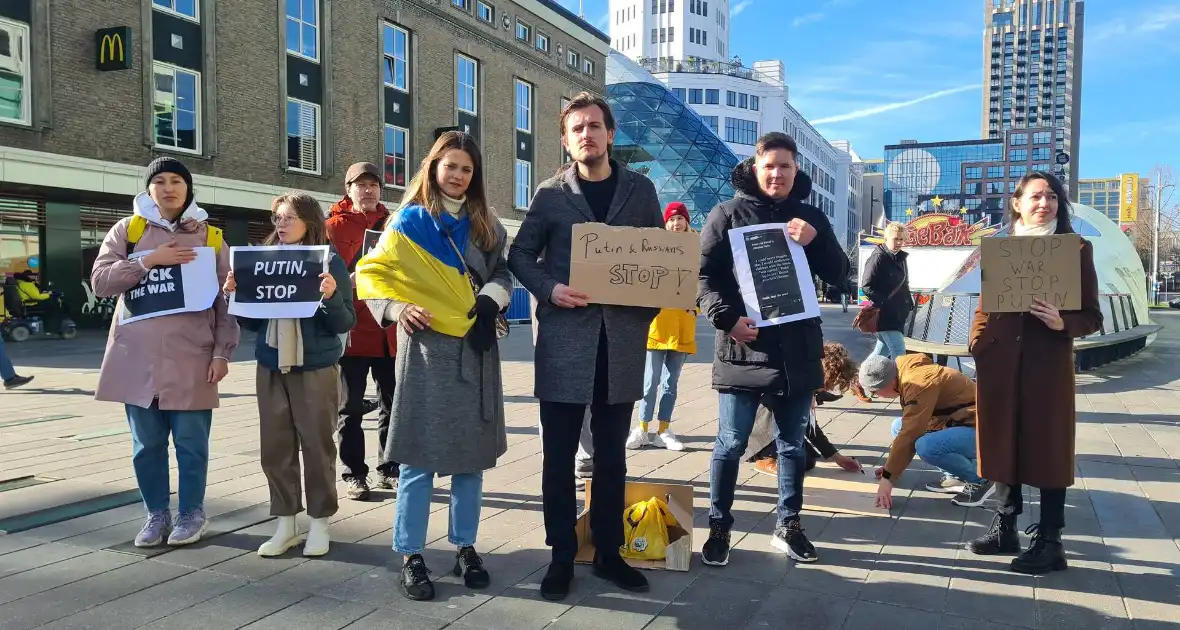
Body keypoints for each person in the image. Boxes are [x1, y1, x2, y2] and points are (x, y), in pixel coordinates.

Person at [508, 92, 663, 601]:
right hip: (565, 343)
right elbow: (520, 253)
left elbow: (662, 262)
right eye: (577, 128)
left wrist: (647, 305)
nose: (587, 135)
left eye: (595, 126)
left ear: (611, 134)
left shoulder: (640, 191)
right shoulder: (551, 193)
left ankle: (609, 553)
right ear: (566, 139)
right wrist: (549, 288)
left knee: (613, 458)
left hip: (620, 345)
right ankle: (559, 556)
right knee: (557, 457)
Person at [356, 131, 511, 601]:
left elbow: (503, 272)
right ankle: (411, 554)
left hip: (477, 345)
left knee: (471, 460)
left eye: (467, 169)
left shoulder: (488, 224)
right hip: (425, 351)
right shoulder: (408, 221)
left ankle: (465, 546)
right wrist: (397, 309)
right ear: (433, 168)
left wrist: (491, 299)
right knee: (418, 460)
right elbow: (370, 272)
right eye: (451, 166)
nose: (459, 175)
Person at [697, 133, 851, 568]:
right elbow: (703, 277)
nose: (778, 173)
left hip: (798, 350)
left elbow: (840, 274)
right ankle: (719, 525)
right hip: (743, 347)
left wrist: (816, 240)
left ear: (795, 170)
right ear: (755, 167)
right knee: (730, 443)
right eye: (770, 165)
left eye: (786, 166)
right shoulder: (726, 214)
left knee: (791, 446)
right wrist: (725, 318)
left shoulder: (809, 217)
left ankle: (789, 525)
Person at [91, 157, 239, 547]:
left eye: (177, 180)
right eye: (160, 181)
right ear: (149, 188)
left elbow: (227, 301)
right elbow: (102, 281)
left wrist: (222, 352)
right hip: (136, 360)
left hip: (193, 357)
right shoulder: (129, 230)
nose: (169, 187)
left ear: (189, 189)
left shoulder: (211, 238)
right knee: (147, 446)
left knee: (192, 444)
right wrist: (147, 261)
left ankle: (192, 512)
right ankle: (156, 513)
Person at [966, 171, 1102, 575]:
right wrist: (978, 345)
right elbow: (985, 306)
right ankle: (1005, 525)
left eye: (1053, 198)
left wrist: (1065, 324)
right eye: (1036, 197)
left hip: (1046, 366)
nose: (1045, 204)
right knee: (1002, 441)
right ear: (1017, 202)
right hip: (1000, 363)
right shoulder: (1000, 249)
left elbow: (1093, 315)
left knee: (1049, 448)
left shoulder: (1075, 248)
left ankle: (1050, 540)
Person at [223, 193, 355, 558]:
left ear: (310, 222)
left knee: (317, 445)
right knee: (275, 447)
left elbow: (345, 321)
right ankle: (285, 523)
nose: (280, 225)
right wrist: (234, 296)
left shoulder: (329, 263)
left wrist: (330, 296)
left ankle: (320, 522)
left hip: (314, 367)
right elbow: (252, 321)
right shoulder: (261, 261)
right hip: (270, 364)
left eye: (288, 218)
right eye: (277, 218)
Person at [326, 162, 400, 499]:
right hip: (352, 330)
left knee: (393, 404)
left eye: (374, 185)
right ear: (348, 188)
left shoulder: (396, 224)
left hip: (390, 331)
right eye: (360, 184)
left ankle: (389, 467)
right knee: (350, 408)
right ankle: (354, 473)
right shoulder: (330, 228)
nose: (368, 190)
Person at [857, 353, 990, 510]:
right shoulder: (904, 372)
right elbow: (909, 426)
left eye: (875, 392)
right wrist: (890, 469)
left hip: (986, 430)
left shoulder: (918, 383)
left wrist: (888, 479)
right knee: (897, 426)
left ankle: (982, 479)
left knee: (926, 446)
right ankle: (956, 477)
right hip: (962, 422)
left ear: (888, 382)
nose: (876, 396)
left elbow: (911, 432)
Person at [625, 201, 696, 452]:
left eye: (679, 219)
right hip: (657, 324)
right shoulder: (656, 248)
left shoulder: (696, 248)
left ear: (687, 221)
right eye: (670, 219)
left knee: (671, 382)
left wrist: (695, 304)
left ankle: (664, 429)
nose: (675, 224)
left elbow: (703, 282)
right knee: (649, 381)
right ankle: (642, 427)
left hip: (683, 323)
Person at [746, 342, 865, 476]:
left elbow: (810, 425)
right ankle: (765, 458)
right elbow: (803, 421)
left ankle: (775, 454)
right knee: (794, 461)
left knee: (807, 461)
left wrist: (838, 458)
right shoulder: (791, 379)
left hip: (779, 426)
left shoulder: (808, 384)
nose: (828, 389)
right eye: (828, 385)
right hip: (761, 429)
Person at [855, 221, 912, 402]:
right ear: (886, 238)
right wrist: (885, 302)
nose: (899, 243)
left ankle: (858, 380)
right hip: (886, 314)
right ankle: (902, 388)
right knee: (898, 350)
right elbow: (866, 286)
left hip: (897, 312)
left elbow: (905, 284)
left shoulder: (900, 257)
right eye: (896, 239)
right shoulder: (878, 256)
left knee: (881, 352)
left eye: (902, 239)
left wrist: (908, 303)